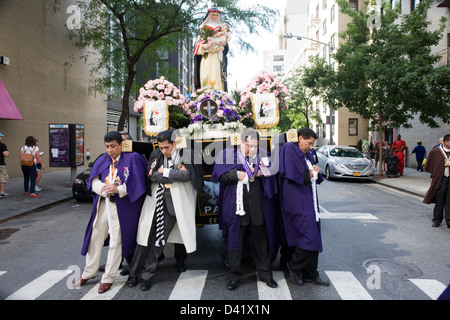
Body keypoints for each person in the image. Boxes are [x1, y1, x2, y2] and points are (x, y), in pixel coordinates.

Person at [126, 130, 204, 291]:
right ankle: (133, 273)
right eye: (161, 148)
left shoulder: (186, 154)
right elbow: (151, 175)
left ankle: (148, 274)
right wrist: (174, 174)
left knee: (159, 239)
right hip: (154, 201)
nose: (163, 151)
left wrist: (165, 172)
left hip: (173, 205)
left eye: (166, 147)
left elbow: (188, 176)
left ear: (174, 143)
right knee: (143, 238)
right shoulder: (156, 154)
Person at [73, 131, 147, 294]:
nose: (110, 150)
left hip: (121, 205)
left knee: (116, 241)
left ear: (121, 145)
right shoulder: (103, 159)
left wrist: (118, 189)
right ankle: (89, 272)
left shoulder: (133, 158)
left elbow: (138, 182)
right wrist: (103, 189)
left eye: (113, 146)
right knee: (95, 237)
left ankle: (108, 277)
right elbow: (94, 180)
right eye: (107, 147)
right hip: (103, 202)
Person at [211, 128, 278, 290]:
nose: (251, 149)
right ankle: (234, 274)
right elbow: (219, 175)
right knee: (235, 242)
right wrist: (236, 175)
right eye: (248, 145)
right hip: (236, 207)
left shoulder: (263, 155)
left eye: (254, 146)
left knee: (261, 242)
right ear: (241, 142)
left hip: (257, 207)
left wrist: (264, 173)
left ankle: (265, 274)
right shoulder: (229, 155)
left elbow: (273, 174)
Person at [278, 128, 329, 287]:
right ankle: (295, 266)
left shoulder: (307, 154)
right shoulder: (289, 148)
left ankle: (311, 272)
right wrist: (311, 174)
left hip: (309, 200)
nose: (311, 147)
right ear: (300, 138)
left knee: (315, 236)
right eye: (309, 143)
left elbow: (312, 174)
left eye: (312, 144)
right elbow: (294, 174)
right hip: (296, 200)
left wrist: (316, 170)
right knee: (309, 237)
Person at [194, 8, 229, 91]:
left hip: (217, 57)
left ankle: (218, 97)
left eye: (217, 15)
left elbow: (225, 45)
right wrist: (205, 46)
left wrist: (222, 43)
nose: (215, 17)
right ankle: (204, 95)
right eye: (213, 15)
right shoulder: (203, 28)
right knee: (205, 75)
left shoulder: (221, 29)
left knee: (216, 76)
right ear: (209, 15)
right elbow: (197, 44)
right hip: (206, 56)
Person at [423, 134, 450, 228]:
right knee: (439, 200)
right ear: (446, 142)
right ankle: (437, 220)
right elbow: (430, 164)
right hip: (440, 179)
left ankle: (449, 221)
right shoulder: (436, 151)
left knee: (449, 201)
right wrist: (436, 173)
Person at [0, 133, 10, 198]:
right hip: (1, 164)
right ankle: (2, 192)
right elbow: (6, 154)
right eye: (1, 136)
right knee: (2, 178)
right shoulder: (2, 145)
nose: (1, 138)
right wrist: (8, 152)